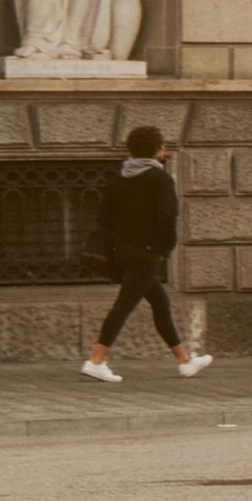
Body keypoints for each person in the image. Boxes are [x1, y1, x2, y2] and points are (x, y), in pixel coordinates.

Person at [84, 121, 204, 382]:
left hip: (121, 251)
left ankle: (184, 362)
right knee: (124, 306)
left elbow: (104, 219)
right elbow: (167, 216)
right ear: (157, 150)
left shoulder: (118, 180)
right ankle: (95, 360)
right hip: (147, 253)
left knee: (160, 303)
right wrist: (166, 247)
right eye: (162, 147)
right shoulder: (160, 179)